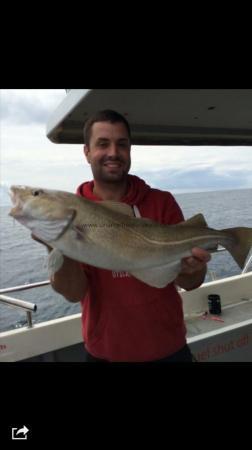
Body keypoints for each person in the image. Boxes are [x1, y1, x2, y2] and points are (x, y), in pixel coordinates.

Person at [42, 110, 211, 362]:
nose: (113, 152)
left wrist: (192, 269)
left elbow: (191, 282)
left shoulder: (161, 202)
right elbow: (74, 293)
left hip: (170, 351)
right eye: (102, 144)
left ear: (130, 150)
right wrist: (57, 244)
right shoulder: (72, 214)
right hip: (106, 355)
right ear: (86, 152)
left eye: (122, 144)